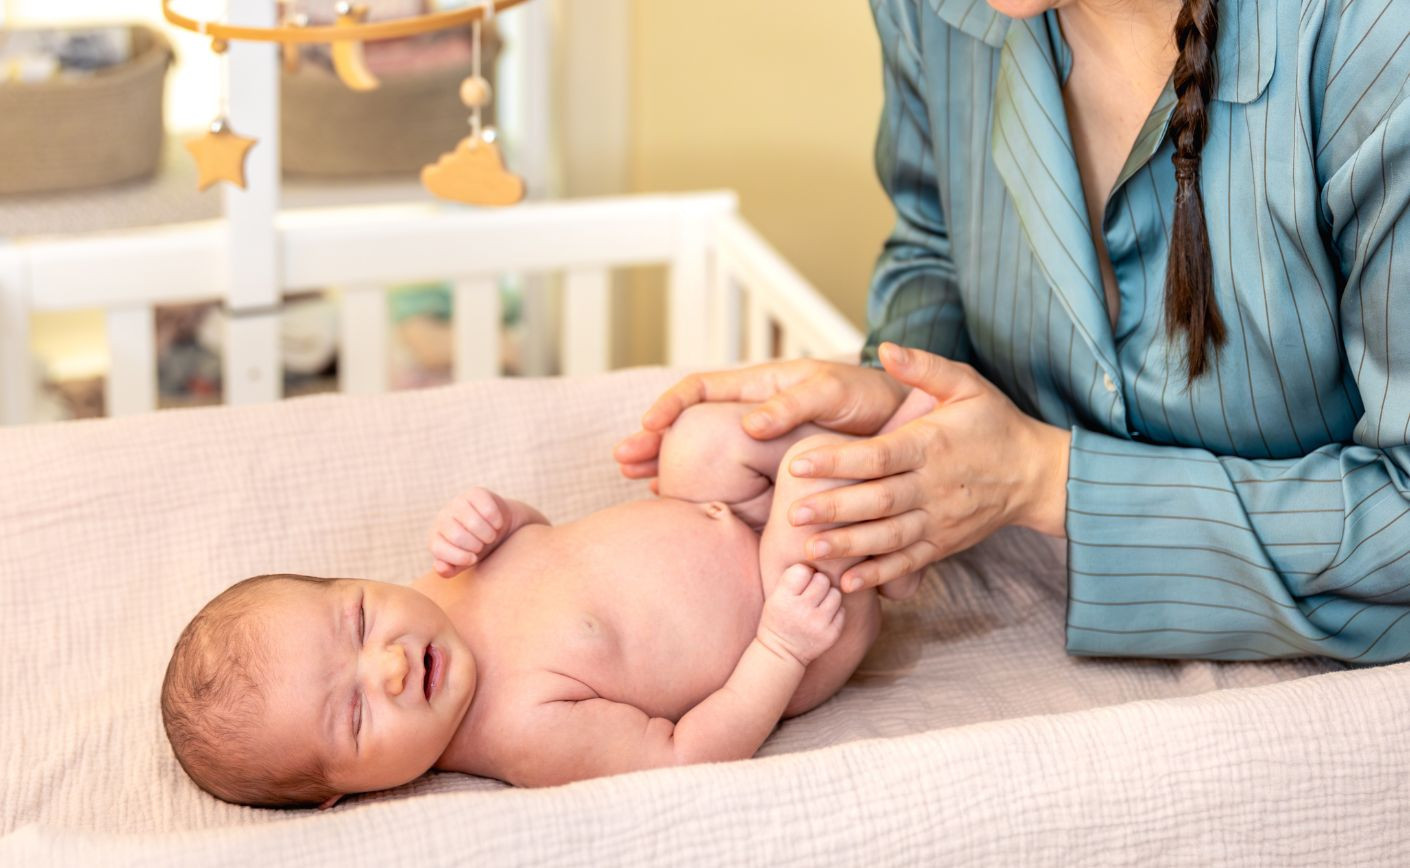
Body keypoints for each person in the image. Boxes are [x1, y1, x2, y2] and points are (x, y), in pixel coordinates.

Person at [615, 0, 1410, 663]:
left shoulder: (1370, 42)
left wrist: (1044, 479)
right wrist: (900, 390)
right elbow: (934, 243)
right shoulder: (936, 13)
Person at [159, 394, 938, 807]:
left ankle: (894, 540)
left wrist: (499, 517)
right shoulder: (521, 734)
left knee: (700, 438)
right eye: (357, 715)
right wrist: (781, 647)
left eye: (359, 620)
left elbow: (548, 546)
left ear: (355, 583)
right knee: (811, 486)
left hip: (718, 510)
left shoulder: (437, 593)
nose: (389, 665)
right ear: (342, 794)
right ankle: (914, 485)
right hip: (790, 607)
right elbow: (681, 755)